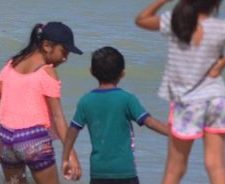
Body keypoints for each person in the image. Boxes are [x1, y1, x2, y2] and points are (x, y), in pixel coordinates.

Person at [134, 0, 225, 184]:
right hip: (217, 101)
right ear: (216, 0)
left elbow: (141, 20)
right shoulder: (223, 27)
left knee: (175, 169)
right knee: (216, 165)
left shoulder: (174, 23)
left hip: (187, 103)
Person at [0, 22, 82, 184]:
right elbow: (58, 117)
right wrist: (70, 154)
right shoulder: (47, 72)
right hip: (33, 140)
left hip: (7, 139)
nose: (65, 58)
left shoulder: (11, 65)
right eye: (63, 51)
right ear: (46, 45)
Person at [61, 46, 170, 184]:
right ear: (122, 73)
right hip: (124, 171)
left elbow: (72, 131)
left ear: (92, 72)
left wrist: (65, 158)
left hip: (98, 172)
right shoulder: (127, 99)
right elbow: (149, 122)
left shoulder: (85, 101)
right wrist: (172, 132)